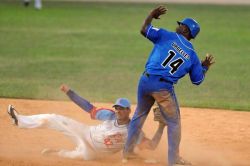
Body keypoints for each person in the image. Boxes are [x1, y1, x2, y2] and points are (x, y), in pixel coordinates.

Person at [123, 5, 215, 166]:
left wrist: (151, 15)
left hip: (145, 81)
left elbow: (144, 30)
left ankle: (128, 152)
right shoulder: (192, 55)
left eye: (181, 24)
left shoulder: (166, 35)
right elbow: (197, 80)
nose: (178, 25)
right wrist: (205, 67)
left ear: (186, 30)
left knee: (139, 115)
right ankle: (174, 161)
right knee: (173, 122)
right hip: (163, 89)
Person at [7, 84, 165, 161]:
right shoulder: (108, 115)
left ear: (129, 111)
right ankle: (19, 121)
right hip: (85, 132)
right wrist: (70, 92)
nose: (118, 111)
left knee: (71, 156)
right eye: (117, 108)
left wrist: (161, 126)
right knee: (53, 118)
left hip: (94, 153)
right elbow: (88, 107)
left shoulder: (134, 130)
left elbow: (150, 146)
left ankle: (56, 153)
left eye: (122, 108)